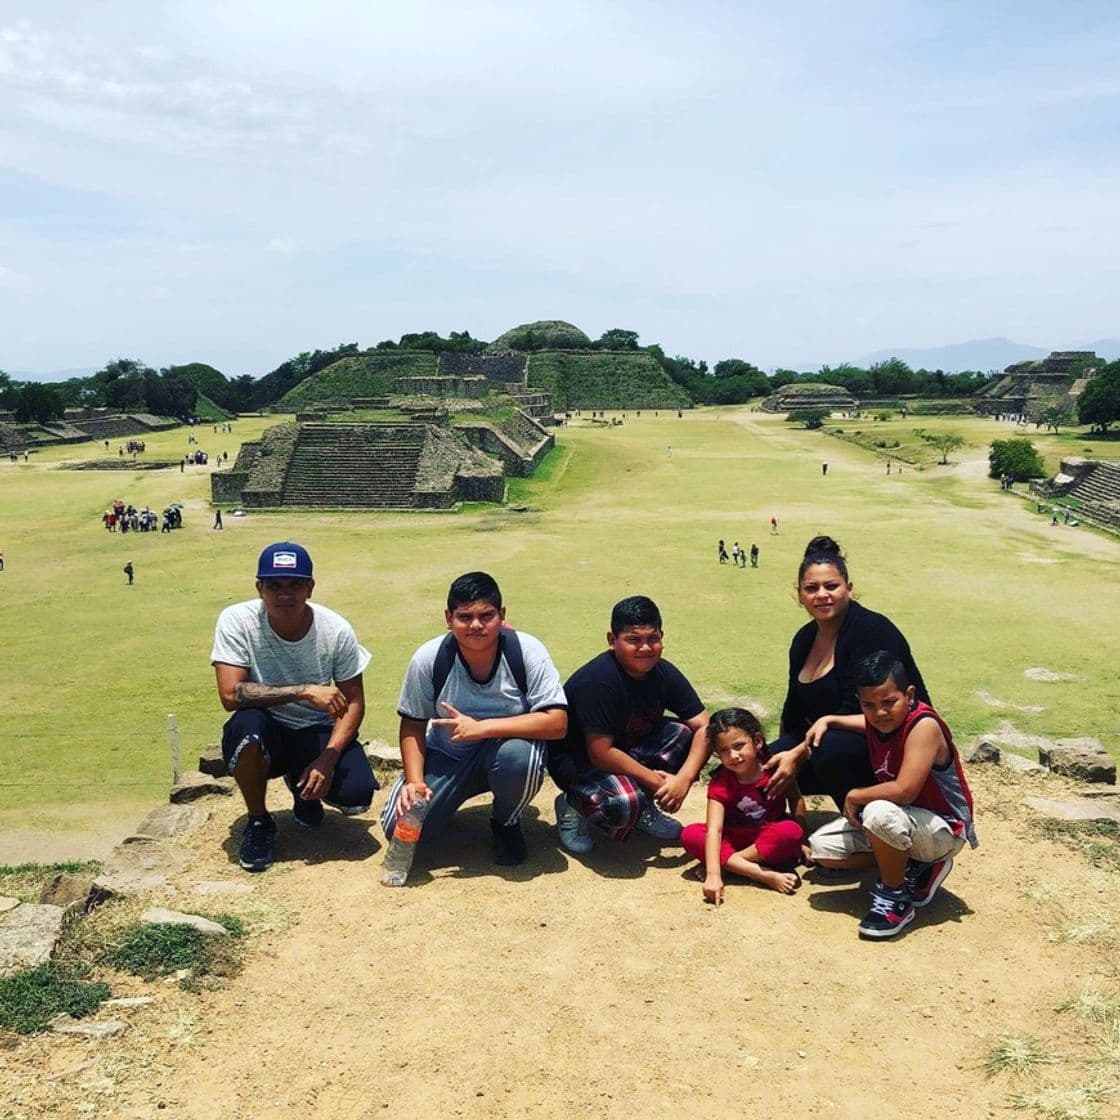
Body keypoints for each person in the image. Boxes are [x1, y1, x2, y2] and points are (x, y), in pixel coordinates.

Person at [211, 542, 378, 872]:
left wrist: (329, 758)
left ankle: (303, 791)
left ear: (310, 587)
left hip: (314, 728)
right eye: (274, 586)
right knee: (247, 727)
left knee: (357, 797)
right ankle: (259, 821)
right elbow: (230, 695)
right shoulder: (237, 620)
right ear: (259, 588)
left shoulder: (336, 629)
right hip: (266, 727)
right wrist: (303, 691)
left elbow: (355, 701)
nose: (284, 595)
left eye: (294, 585)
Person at [381, 572, 567, 867]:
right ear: (448, 618)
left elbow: (557, 722)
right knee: (400, 829)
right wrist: (415, 783)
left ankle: (506, 821)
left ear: (502, 615)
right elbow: (413, 724)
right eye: (464, 617)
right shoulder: (429, 659)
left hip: (506, 754)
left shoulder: (527, 650)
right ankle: (443, 801)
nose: (476, 625)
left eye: (486, 615)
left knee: (520, 758)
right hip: (448, 755)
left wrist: (481, 728)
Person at [805, 651, 977, 938]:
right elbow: (863, 722)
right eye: (869, 705)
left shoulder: (924, 726)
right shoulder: (878, 720)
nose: (880, 713)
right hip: (908, 823)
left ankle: (896, 896)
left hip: (943, 829)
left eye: (889, 702)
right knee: (821, 849)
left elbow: (905, 790)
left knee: (878, 812)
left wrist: (856, 795)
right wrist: (830, 719)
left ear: (909, 695)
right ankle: (915, 866)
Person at [764, 536, 930, 810]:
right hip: (827, 742)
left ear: (849, 589)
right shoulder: (804, 640)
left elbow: (869, 712)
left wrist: (799, 755)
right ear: (800, 594)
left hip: (891, 744)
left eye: (831, 586)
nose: (821, 595)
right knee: (761, 762)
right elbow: (793, 710)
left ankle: (869, 825)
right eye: (811, 588)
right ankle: (784, 826)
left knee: (829, 748)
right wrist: (781, 754)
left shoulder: (871, 631)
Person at [547, 595, 710, 854]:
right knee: (625, 804)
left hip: (625, 747)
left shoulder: (663, 672)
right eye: (633, 640)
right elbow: (600, 753)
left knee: (683, 734)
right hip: (580, 763)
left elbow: (705, 726)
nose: (645, 648)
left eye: (653, 639)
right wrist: (658, 784)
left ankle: (645, 807)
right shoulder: (598, 682)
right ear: (612, 641)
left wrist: (683, 779)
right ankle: (573, 804)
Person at [682, 708, 805, 901]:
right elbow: (715, 830)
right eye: (724, 750)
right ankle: (760, 874)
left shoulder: (775, 769)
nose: (733, 755)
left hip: (767, 836)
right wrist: (714, 876)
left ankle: (729, 864)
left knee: (791, 831)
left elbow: (796, 799)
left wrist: (804, 841)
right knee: (690, 834)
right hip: (733, 837)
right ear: (717, 754)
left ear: (757, 741)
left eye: (739, 746)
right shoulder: (721, 782)